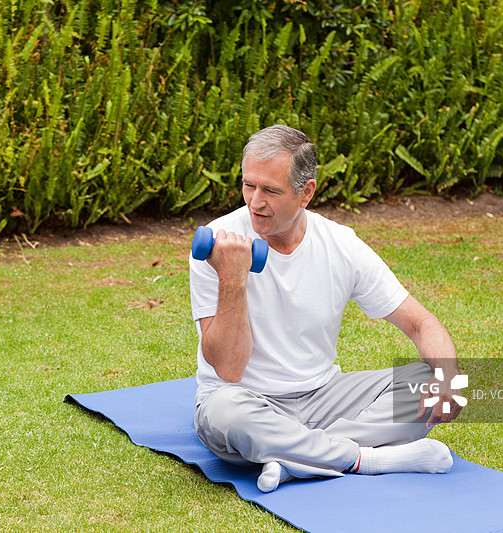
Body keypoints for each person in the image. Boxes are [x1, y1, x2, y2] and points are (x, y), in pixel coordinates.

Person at [189, 125, 463, 493]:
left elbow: (420, 322)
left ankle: (293, 459)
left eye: (270, 190)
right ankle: (365, 459)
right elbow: (228, 368)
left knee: (430, 381)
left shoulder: (340, 244)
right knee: (225, 415)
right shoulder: (220, 244)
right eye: (248, 185)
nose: (254, 202)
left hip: (324, 397)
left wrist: (447, 377)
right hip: (246, 401)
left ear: (306, 193)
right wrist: (233, 279)